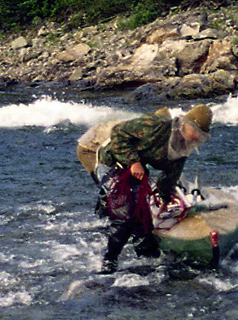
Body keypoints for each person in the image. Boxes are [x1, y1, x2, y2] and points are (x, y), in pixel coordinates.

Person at [77, 104, 213, 273]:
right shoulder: (156, 125)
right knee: (125, 211)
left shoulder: (182, 147)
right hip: (109, 158)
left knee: (142, 212)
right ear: (186, 124)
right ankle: (109, 261)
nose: (197, 137)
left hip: (136, 166)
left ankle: (148, 257)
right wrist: (133, 161)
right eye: (196, 131)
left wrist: (165, 198)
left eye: (202, 135)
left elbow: (170, 176)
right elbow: (119, 133)